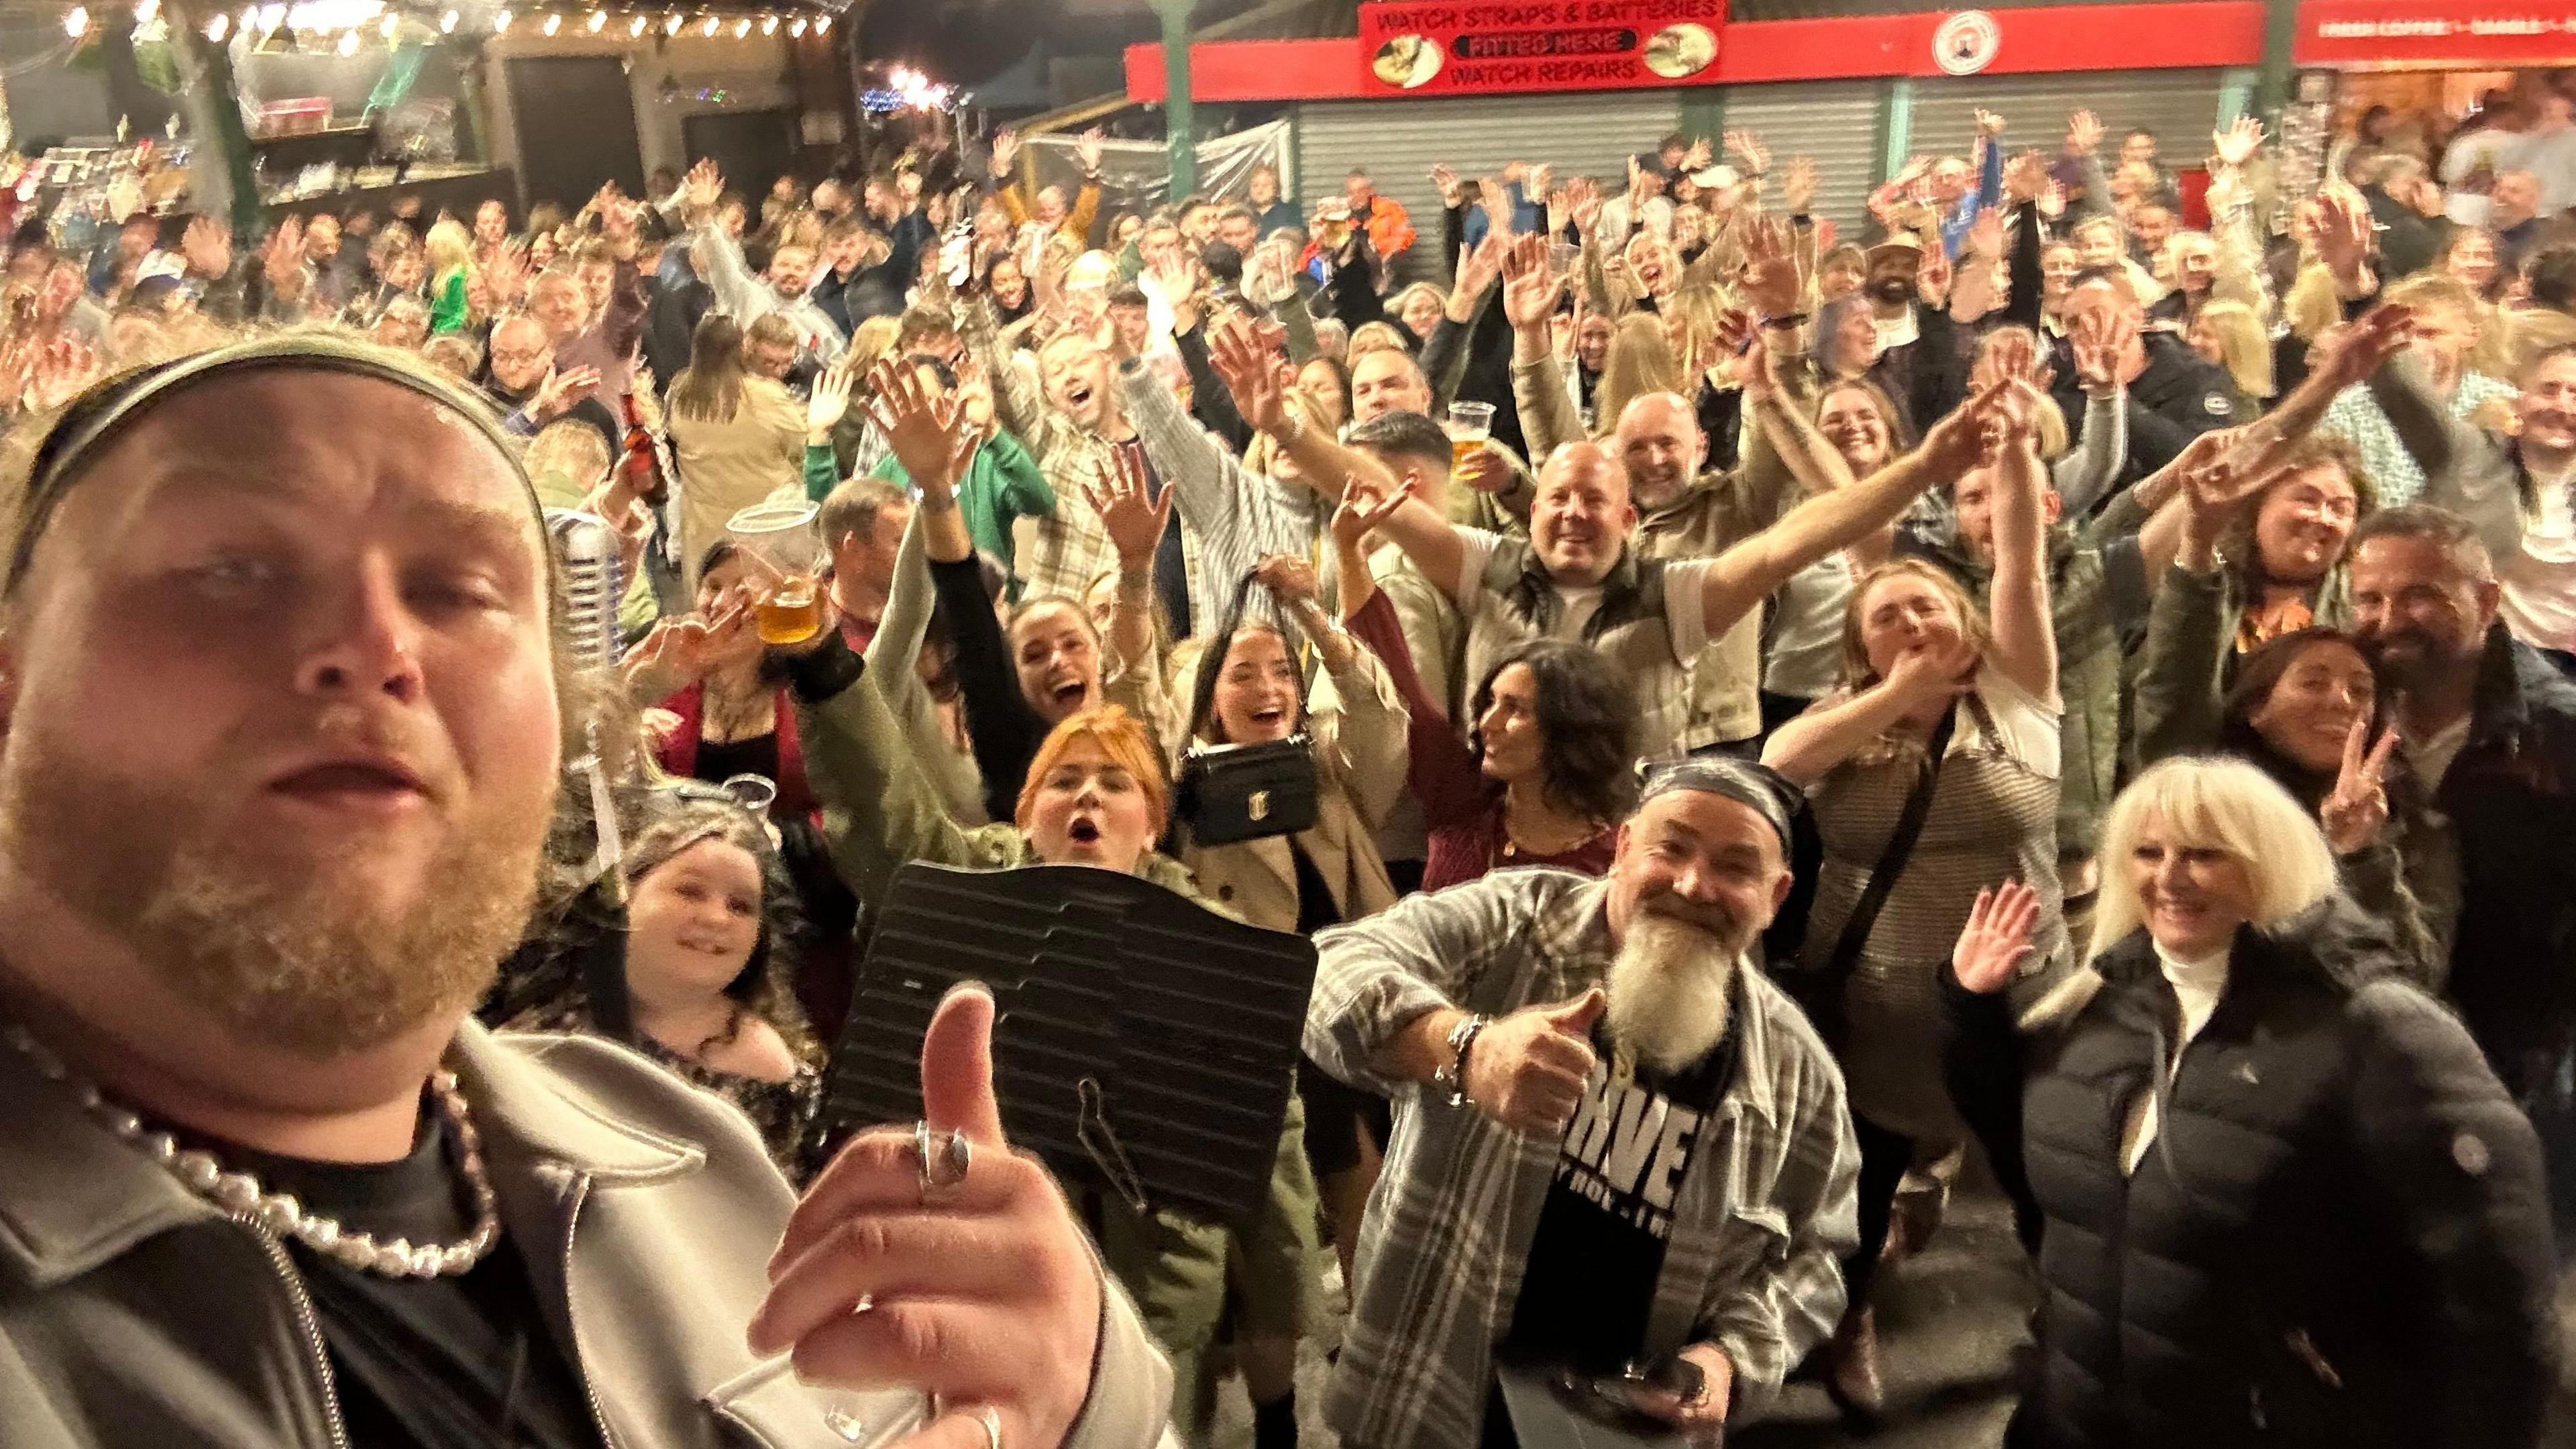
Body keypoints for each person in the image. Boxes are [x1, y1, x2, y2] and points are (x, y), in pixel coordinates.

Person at [0, 333, 1173, 1448]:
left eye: (457, 588)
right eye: (230, 569)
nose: (373, 644)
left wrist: (1069, 1391)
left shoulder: (678, 1151)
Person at [1944, 759, 2557, 1449]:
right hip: (2082, 1421)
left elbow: (2495, 1297)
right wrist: (1974, 1019)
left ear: (2273, 860)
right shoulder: (2098, 1009)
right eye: (2149, 852)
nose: (2170, 877)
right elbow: (2042, 1176)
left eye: (2205, 854)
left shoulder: (2380, 1030)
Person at [1304, 757, 1861, 1449]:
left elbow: (1817, 1256)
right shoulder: (1515, 926)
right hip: (1428, 1387)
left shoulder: (1797, 1078)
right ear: (1624, 848)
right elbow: (1326, 967)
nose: (1694, 885)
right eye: (1673, 847)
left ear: (1776, 896)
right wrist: (1466, 1048)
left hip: (1617, 1429)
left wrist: (1731, 1358)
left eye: (1736, 868)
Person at [1760, 369, 2072, 1419]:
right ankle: (1849, 1327)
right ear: (1858, 649)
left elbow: (2021, 562)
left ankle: (2068, 1327)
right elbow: (1780, 761)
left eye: (1928, 605)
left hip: (2023, 998)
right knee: (1862, 1184)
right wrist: (1895, 696)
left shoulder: (2018, 697)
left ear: (1969, 623)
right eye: (1886, 616)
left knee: (2047, 1178)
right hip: (1881, 1000)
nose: (1910, 621)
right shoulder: (1847, 723)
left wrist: (2018, 451)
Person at [2343, 505, 2576, 1225]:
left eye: (2421, 595)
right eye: (2370, 598)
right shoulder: (2338, 709)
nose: (2391, 619)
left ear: (2487, 600)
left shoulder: (2559, 732)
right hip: (2371, 1047)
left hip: (2517, 1053)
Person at [500, 798, 826, 1179]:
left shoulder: (768, 1072)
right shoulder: (537, 985)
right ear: (627, 892)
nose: (716, 917)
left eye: (740, 907)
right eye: (690, 892)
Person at [665, 312, 805, 593]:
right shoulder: (765, 396)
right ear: (743, 348)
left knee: (711, 605)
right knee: (766, 604)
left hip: (703, 528)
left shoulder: (679, 393)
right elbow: (803, 447)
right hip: (763, 526)